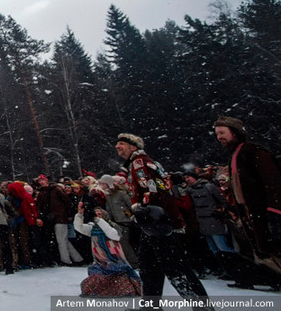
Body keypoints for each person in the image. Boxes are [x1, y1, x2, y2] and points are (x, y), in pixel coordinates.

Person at [115, 133, 210, 302]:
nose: (117, 147)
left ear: (133, 147)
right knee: (148, 267)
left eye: (122, 144)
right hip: (150, 222)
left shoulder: (139, 163)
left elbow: (154, 191)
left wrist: (149, 212)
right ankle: (151, 304)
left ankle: (201, 305)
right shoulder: (139, 163)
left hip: (156, 223)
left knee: (176, 268)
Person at [213, 116, 281, 288]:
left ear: (235, 132)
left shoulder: (254, 152)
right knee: (268, 255)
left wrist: (275, 211)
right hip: (252, 215)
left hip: (266, 214)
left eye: (222, 133)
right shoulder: (236, 155)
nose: (219, 137)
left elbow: (273, 182)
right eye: (217, 134)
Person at [73, 201, 141, 296]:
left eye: (99, 213)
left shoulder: (113, 225)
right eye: (95, 213)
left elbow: (113, 235)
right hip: (100, 260)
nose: (97, 215)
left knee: (121, 279)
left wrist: (99, 221)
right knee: (96, 280)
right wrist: (80, 215)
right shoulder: (92, 227)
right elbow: (78, 227)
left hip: (115, 259)